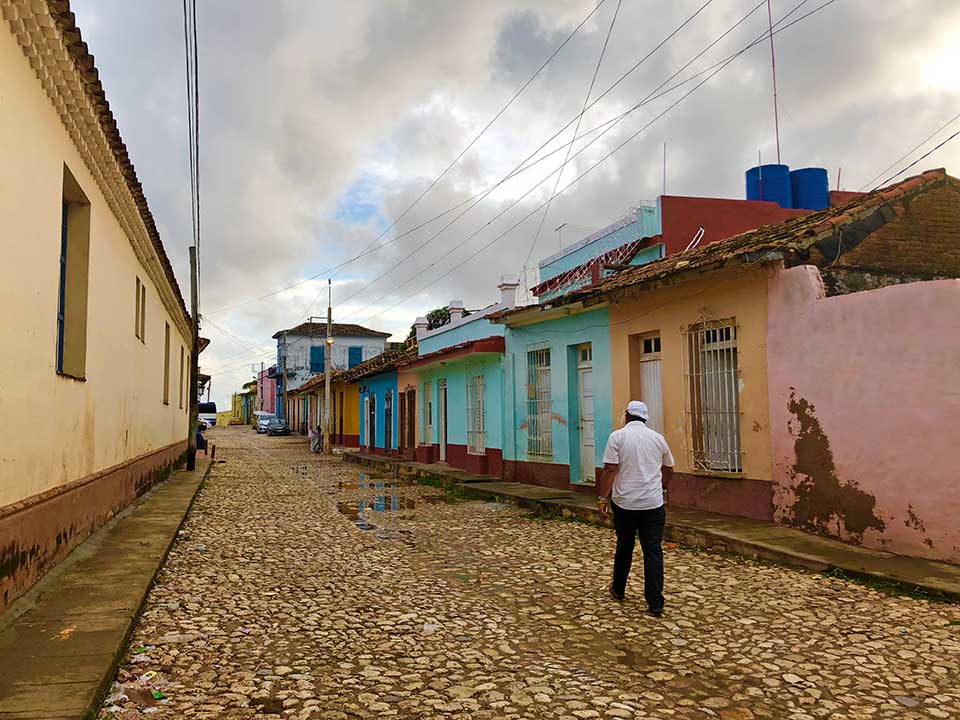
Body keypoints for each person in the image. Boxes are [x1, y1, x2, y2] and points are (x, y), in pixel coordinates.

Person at [598, 400, 674, 616]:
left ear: (627, 415)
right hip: (653, 503)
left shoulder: (617, 437)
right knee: (653, 550)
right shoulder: (657, 438)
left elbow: (610, 469)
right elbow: (669, 468)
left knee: (625, 545)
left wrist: (603, 498)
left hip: (625, 503)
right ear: (645, 418)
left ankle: (618, 589)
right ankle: (655, 602)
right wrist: (660, 487)